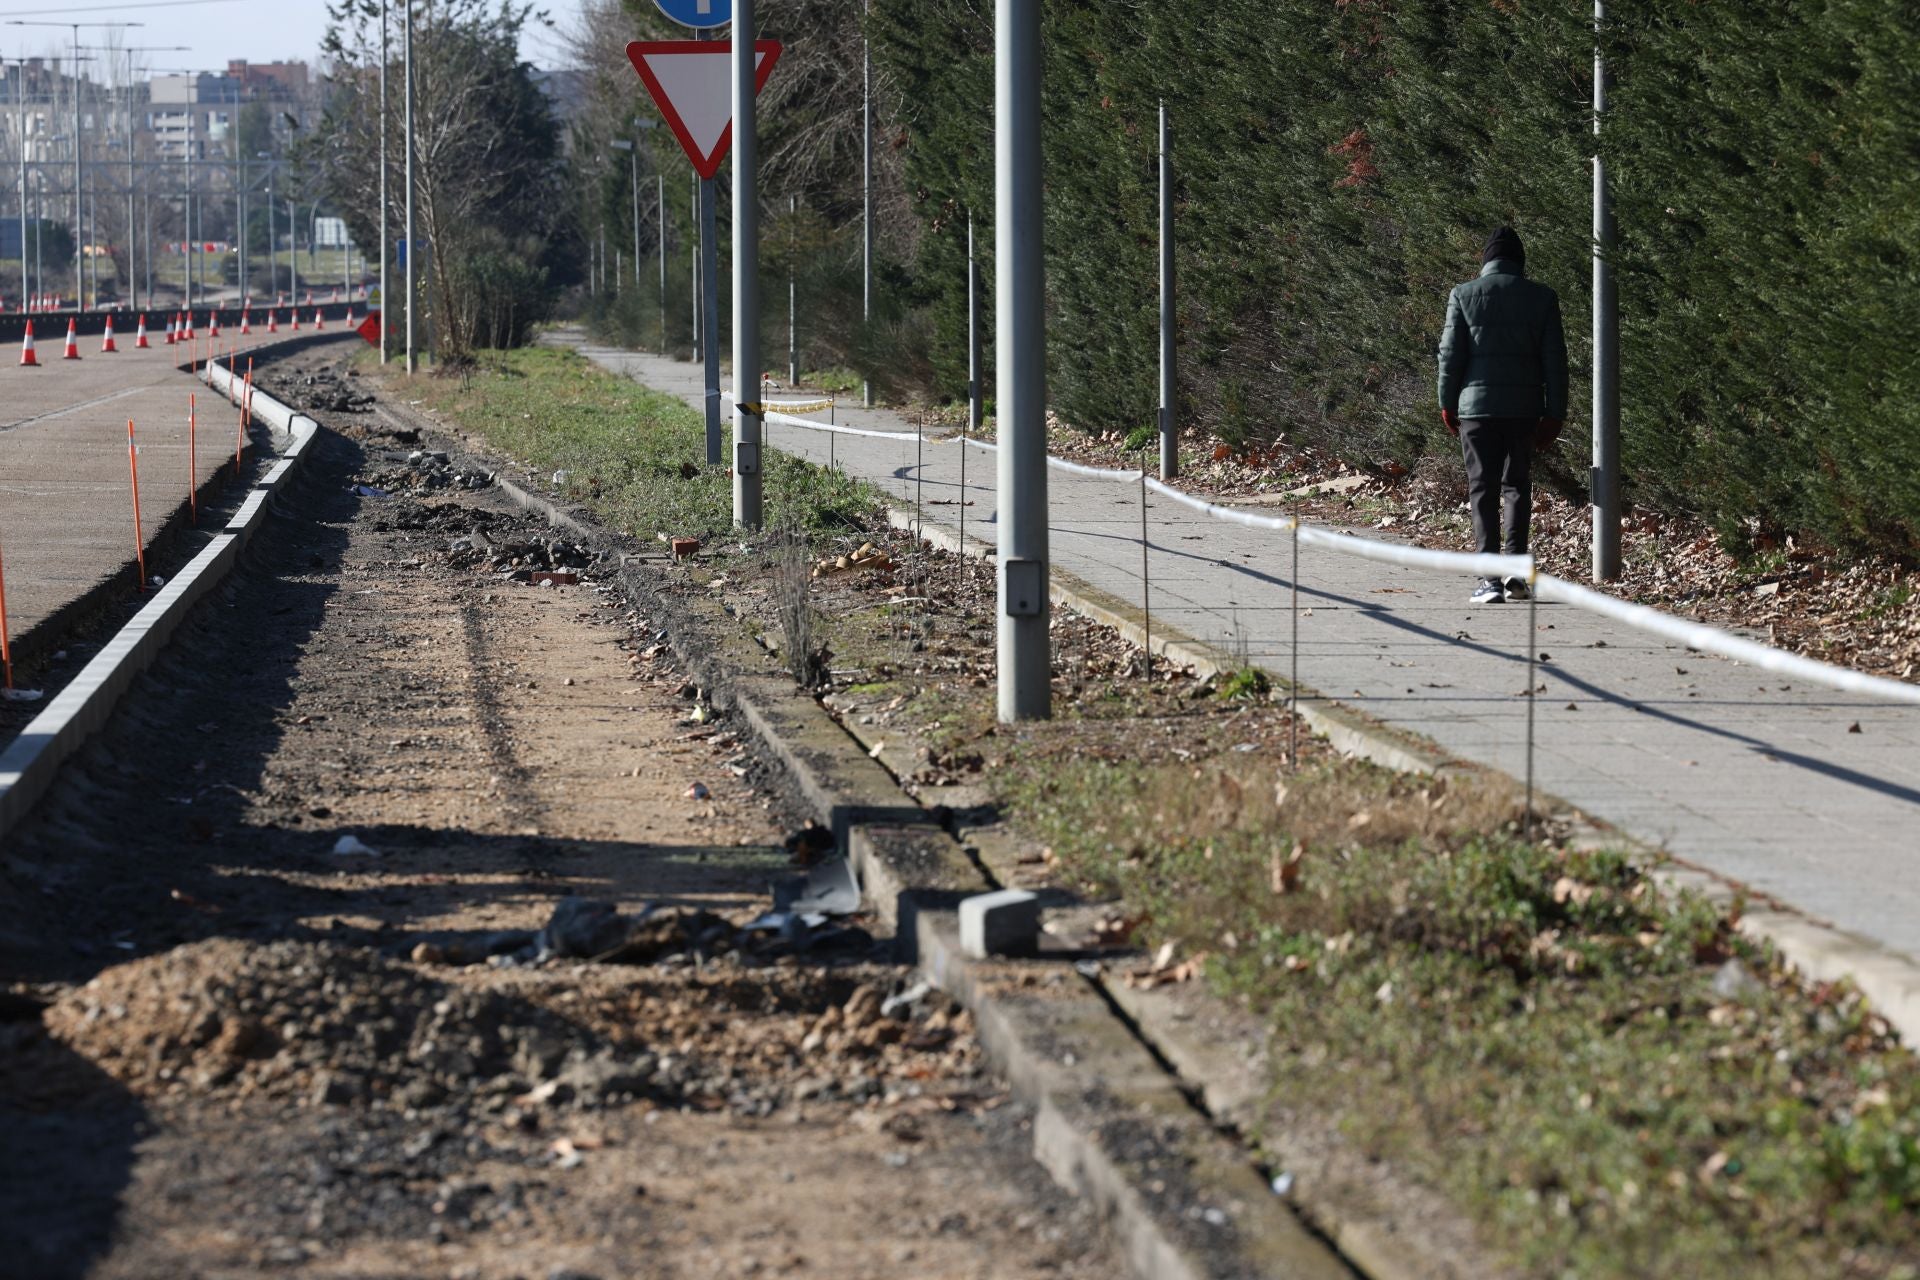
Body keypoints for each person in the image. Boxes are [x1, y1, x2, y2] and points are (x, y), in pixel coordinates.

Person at [1436, 225, 1568, 604]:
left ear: (1486, 260)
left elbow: (1450, 357)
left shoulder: (1462, 295)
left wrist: (1447, 402)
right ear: (1519, 262)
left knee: (1482, 488)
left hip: (1476, 411)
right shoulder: (1542, 298)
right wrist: (1554, 412)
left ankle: (1488, 580)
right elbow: (1555, 362)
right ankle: (1517, 575)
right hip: (1525, 411)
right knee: (1517, 487)